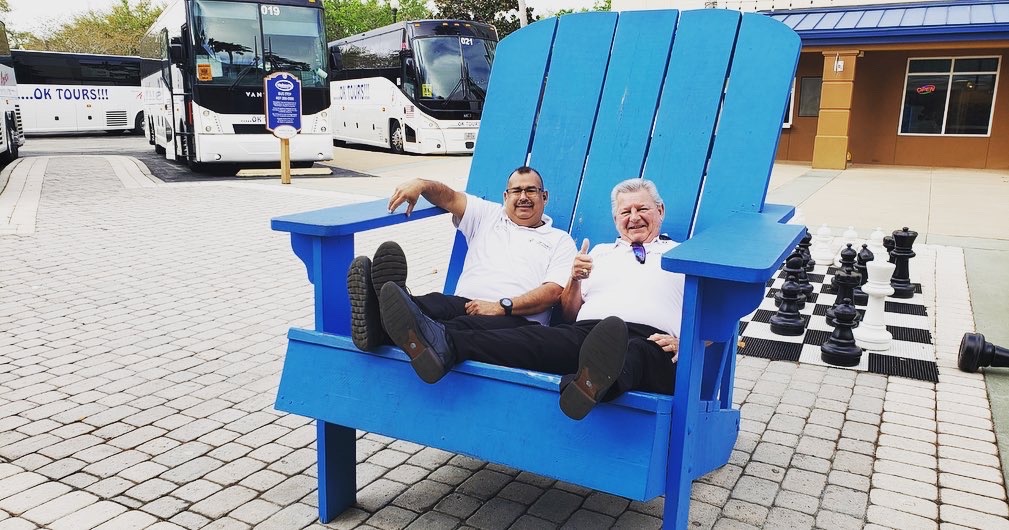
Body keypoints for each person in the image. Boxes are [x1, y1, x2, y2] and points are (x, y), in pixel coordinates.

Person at [378, 178, 685, 420]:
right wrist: (575, 280)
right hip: (587, 334)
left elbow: (710, 317)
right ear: (616, 218)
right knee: (533, 339)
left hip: (651, 340)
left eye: (642, 209)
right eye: (625, 212)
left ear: (660, 211)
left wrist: (687, 343)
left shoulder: (684, 256)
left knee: (633, 353)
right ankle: (443, 342)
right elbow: (569, 313)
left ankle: (589, 384)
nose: (634, 218)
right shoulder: (600, 253)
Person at [348, 166, 578, 351]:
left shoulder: (560, 240)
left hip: (515, 320)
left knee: (456, 327)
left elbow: (552, 293)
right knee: (433, 303)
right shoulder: (488, 215)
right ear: (505, 196)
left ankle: (382, 326)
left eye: (531, 191)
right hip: (464, 303)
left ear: (544, 196)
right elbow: (448, 197)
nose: (524, 197)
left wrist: (502, 306)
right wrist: (421, 184)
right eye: (517, 191)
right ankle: (383, 309)